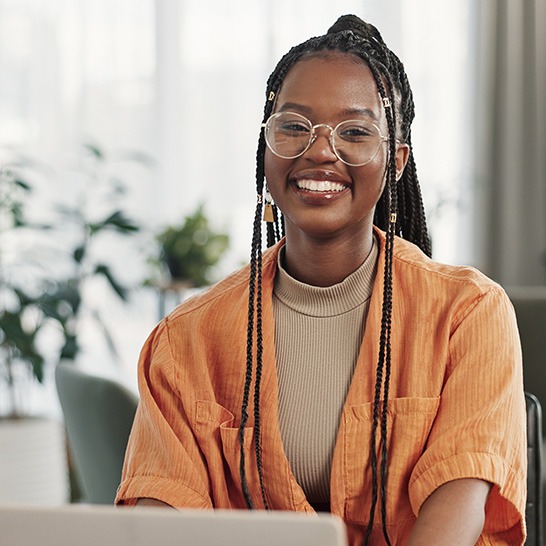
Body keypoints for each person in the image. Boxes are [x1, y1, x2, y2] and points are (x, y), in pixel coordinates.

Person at [115, 14, 527, 546]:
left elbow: (454, 518)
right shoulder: (185, 340)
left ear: (394, 161)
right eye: (294, 125)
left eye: (354, 132)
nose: (319, 151)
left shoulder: (470, 315)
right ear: (267, 149)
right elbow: (159, 523)